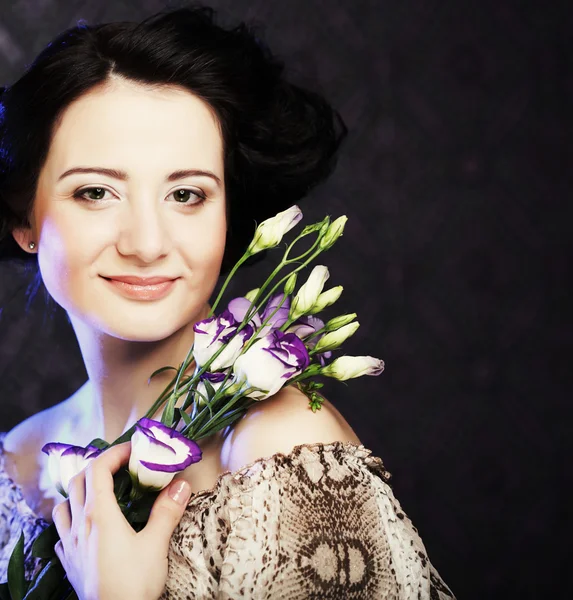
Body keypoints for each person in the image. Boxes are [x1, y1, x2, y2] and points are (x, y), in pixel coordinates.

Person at [0, 6, 456, 599]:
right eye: (95, 192)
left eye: (187, 194)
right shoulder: (17, 461)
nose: (146, 243)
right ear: (24, 218)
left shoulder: (283, 450)